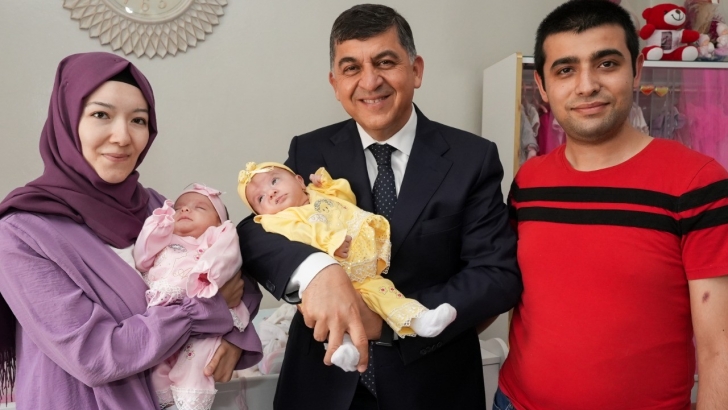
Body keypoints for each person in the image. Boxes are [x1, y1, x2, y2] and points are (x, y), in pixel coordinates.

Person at [236, 4, 521, 409]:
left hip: (432, 387)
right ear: (336, 83)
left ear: (416, 70)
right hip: (322, 385)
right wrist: (318, 271)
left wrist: (387, 322)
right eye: (351, 68)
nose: (370, 81)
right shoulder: (310, 149)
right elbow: (256, 230)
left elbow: (495, 275)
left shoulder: (471, 158)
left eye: (385, 62)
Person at [495, 1, 728, 409]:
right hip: (515, 402)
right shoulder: (529, 181)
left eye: (606, 64)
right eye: (565, 70)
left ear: (636, 70)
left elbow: (719, 349)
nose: (586, 86)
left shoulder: (697, 182)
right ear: (543, 87)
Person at [0, 52, 262, 409]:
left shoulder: (158, 208)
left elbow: (237, 279)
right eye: (101, 115)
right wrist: (206, 311)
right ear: (66, 120)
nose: (123, 137)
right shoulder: (22, 233)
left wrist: (233, 334)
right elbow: (96, 355)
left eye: (138, 120)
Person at [238, 163, 458, 371]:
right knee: (333, 314)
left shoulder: (319, 194)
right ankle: (343, 350)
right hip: (332, 274)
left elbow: (346, 199)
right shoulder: (281, 219)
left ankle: (420, 319)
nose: (271, 193)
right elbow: (299, 233)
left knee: (385, 293)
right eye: (261, 198)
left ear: (299, 180)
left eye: (274, 181)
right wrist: (330, 242)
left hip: (362, 266)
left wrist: (328, 185)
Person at [133, 183, 251, 409]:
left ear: (219, 223)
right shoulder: (165, 240)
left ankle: (191, 403)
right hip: (163, 316)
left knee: (196, 362)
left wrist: (207, 275)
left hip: (204, 314)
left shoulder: (215, 239)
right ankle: (164, 402)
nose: (185, 210)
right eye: (179, 208)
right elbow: (142, 258)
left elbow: (228, 257)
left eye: (200, 207)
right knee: (156, 366)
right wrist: (159, 225)